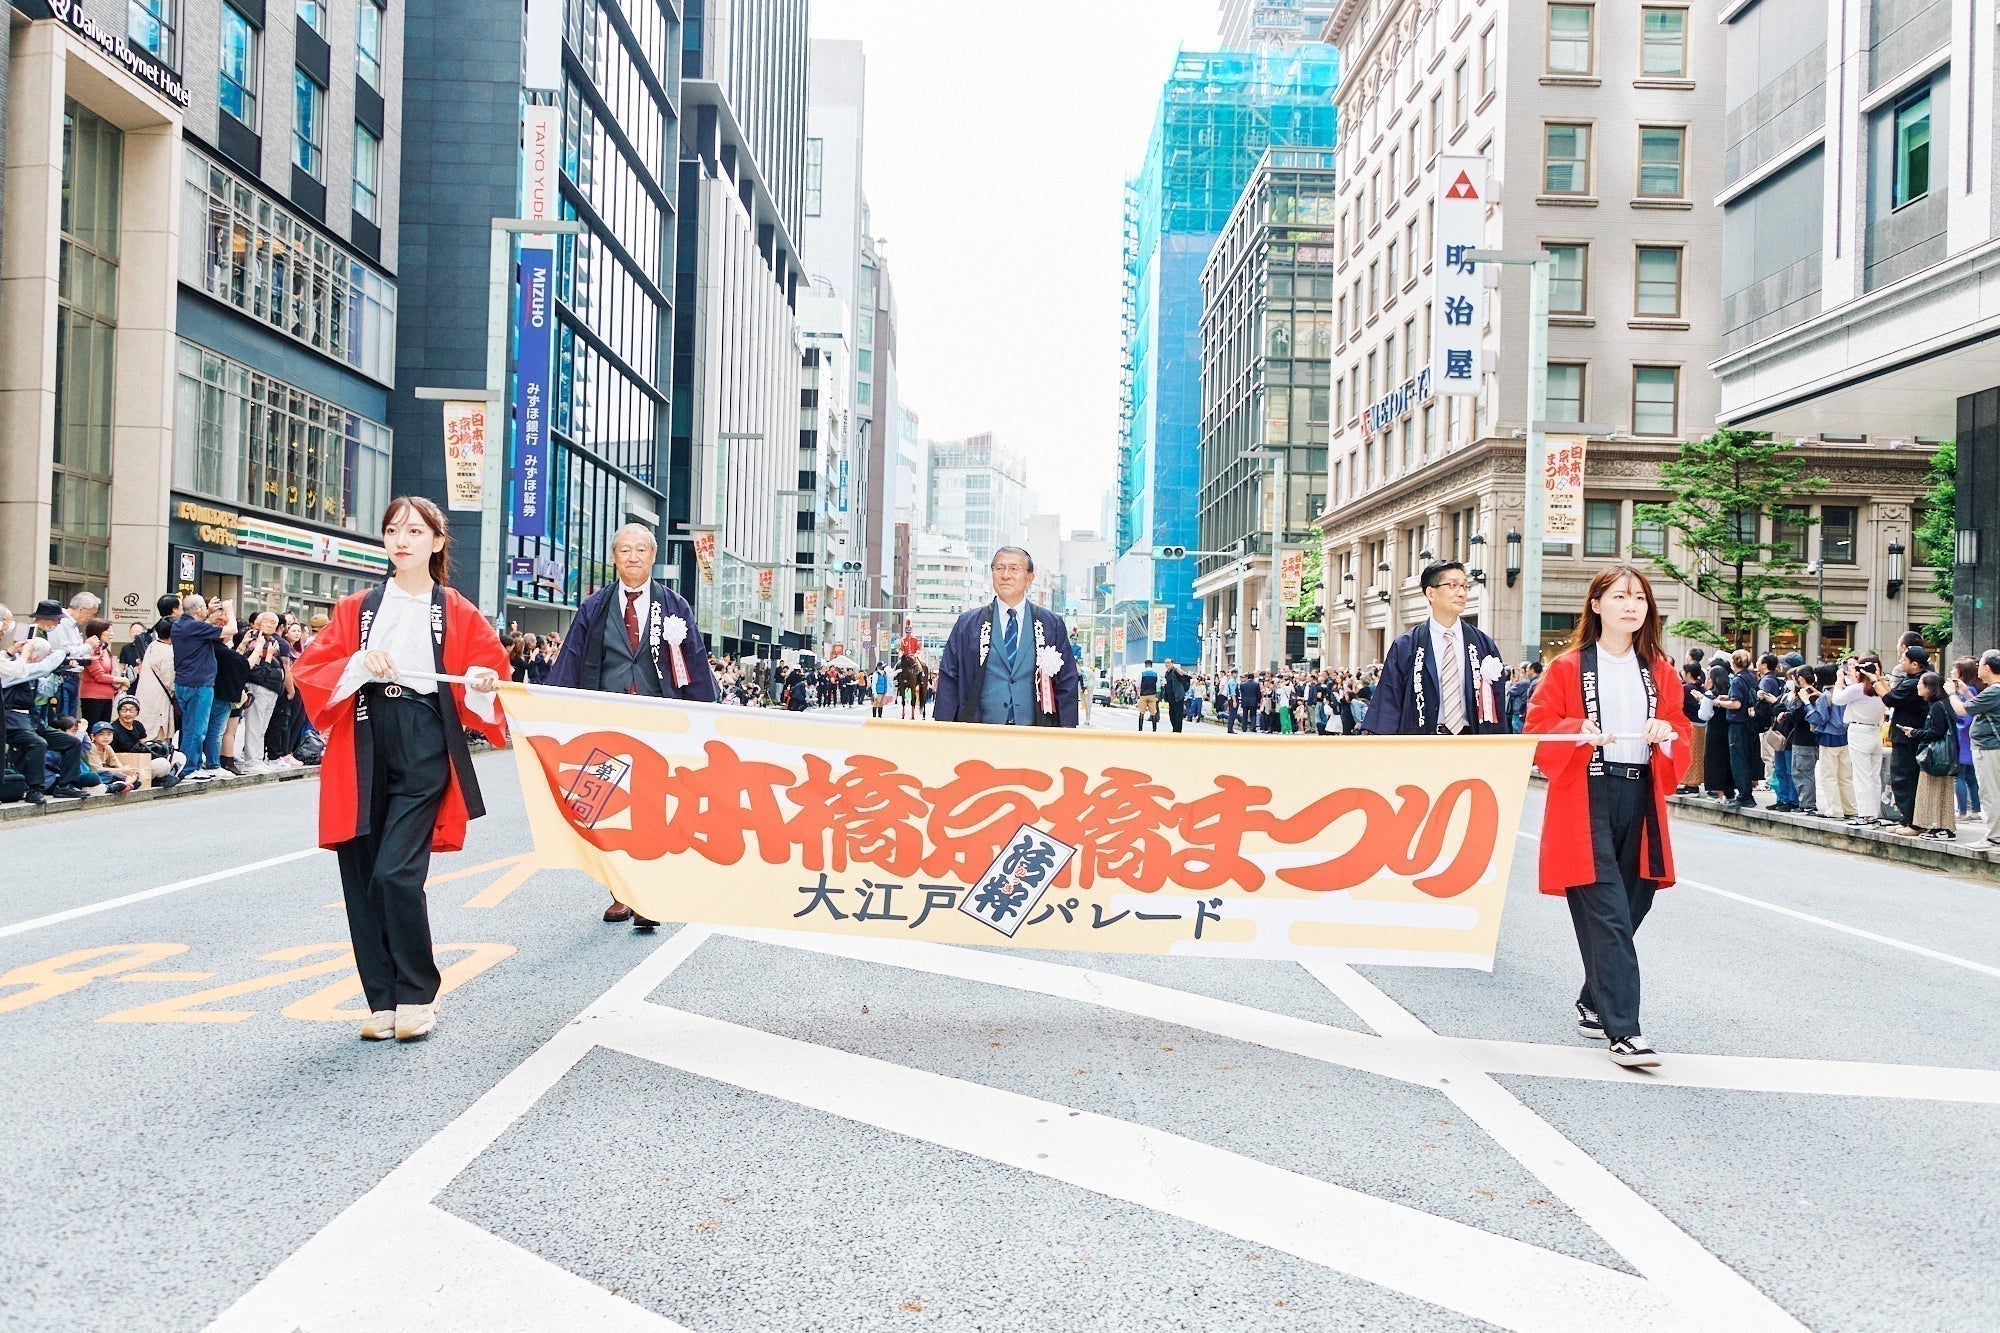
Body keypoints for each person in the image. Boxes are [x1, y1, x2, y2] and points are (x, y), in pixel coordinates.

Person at [293, 496, 509, 1043]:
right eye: (392, 530)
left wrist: (484, 682)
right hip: (363, 736)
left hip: (423, 736)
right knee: (363, 873)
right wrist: (359, 662)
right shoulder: (357, 608)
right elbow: (311, 669)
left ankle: (416, 992)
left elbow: (491, 671)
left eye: (415, 531)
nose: (402, 540)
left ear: (437, 542)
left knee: (396, 871)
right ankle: (382, 998)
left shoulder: (454, 607)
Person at [1526, 564, 1691, 1071]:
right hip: (1586, 797)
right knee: (1609, 914)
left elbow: (1682, 727)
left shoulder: (1660, 669)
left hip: (1640, 798)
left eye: (1639, 598)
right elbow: (1539, 726)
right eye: (1619, 596)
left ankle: (1594, 998)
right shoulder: (1569, 668)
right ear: (1596, 605)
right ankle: (1627, 1031)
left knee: (1631, 906)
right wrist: (1579, 729)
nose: (1631, 605)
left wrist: (1666, 732)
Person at [545, 523, 718, 929]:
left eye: (641, 549)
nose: (633, 556)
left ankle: (647, 896)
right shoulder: (595, 607)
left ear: (653, 555)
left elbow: (693, 659)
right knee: (608, 808)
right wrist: (547, 705)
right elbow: (571, 657)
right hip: (608, 720)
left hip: (658, 721)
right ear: (614, 557)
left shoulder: (674, 605)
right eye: (624, 550)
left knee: (651, 807)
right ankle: (620, 892)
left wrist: (708, 712)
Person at [933, 546, 1079, 727]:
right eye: (999, 568)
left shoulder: (1051, 624)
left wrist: (1067, 730)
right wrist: (943, 728)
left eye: (1014, 569)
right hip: (980, 731)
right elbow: (949, 678)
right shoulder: (967, 624)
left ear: (1029, 578)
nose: (1006, 575)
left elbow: (1067, 682)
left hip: (1036, 734)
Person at [1360, 561, 1507, 736]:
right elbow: (1388, 702)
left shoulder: (1483, 644)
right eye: (1453, 585)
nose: (1462, 593)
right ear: (1431, 593)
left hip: (1471, 744)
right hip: (1423, 745)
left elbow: (1496, 705)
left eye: (1465, 587)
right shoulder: (1406, 646)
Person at [171, 594, 236, 782]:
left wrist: (210, 612)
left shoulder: (180, 625)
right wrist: (229, 610)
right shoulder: (195, 627)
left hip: (185, 682)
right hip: (198, 684)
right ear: (199, 610)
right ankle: (189, 768)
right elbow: (231, 629)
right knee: (196, 728)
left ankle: (193, 764)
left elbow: (201, 626)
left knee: (190, 726)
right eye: (204, 607)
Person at [1889, 671, 1958, 840]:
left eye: (1921, 683)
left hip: (1936, 755)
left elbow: (1935, 732)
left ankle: (1938, 827)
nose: (1918, 686)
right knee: (1942, 791)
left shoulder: (1936, 706)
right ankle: (1940, 827)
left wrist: (1915, 733)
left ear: (1929, 687)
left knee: (1933, 791)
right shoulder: (1943, 703)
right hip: (1945, 755)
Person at [2, 640, 71, 805]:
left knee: (71, 742)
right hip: (11, 721)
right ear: (34, 659)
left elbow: (46, 690)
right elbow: (42, 668)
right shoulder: (14, 670)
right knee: (38, 744)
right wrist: (60, 654)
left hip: (30, 721)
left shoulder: (29, 671)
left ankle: (67, 783)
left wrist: (57, 673)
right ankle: (35, 789)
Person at [1948, 650, 2000, 848]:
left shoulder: (1994, 690)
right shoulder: (1992, 691)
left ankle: (1993, 836)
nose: (1978, 668)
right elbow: (1977, 705)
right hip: (1991, 747)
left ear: (1987, 668)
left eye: (1981, 665)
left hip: (1989, 748)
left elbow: (1962, 709)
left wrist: (1952, 693)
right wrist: (1965, 692)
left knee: (1990, 792)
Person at [1834, 655, 1889, 825]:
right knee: (1874, 776)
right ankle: (1874, 814)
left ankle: (1865, 814)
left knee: (1861, 775)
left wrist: (1839, 681)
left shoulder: (1858, 689)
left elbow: (1837, 699)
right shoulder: (1883, 689)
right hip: (1875, 731)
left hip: (1859, 730)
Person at [1162, 659, 1190, 733]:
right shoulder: (1166, 673)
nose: (1167, 664)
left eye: (1168, 663)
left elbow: (1185, 678)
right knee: (1172, 714)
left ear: (1172, 663)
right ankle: (1174, 728)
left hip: (1178, 696)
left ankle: (1177, 730)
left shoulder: (1176, 671)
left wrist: (1183, 690)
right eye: (1166, 663)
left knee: (1178, 714)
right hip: (1170, 697)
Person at [1136, 659, 1161, 731]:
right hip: (1152, 695)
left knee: (1142, 712)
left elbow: (1137, 684)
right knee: (1153, 712)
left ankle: (1140, 729)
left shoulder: (1142, 673)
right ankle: (1154, 729)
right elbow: (1158, 685)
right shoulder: (1156, 673)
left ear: (1145, 665)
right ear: (1151, 665)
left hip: (1143, 695)